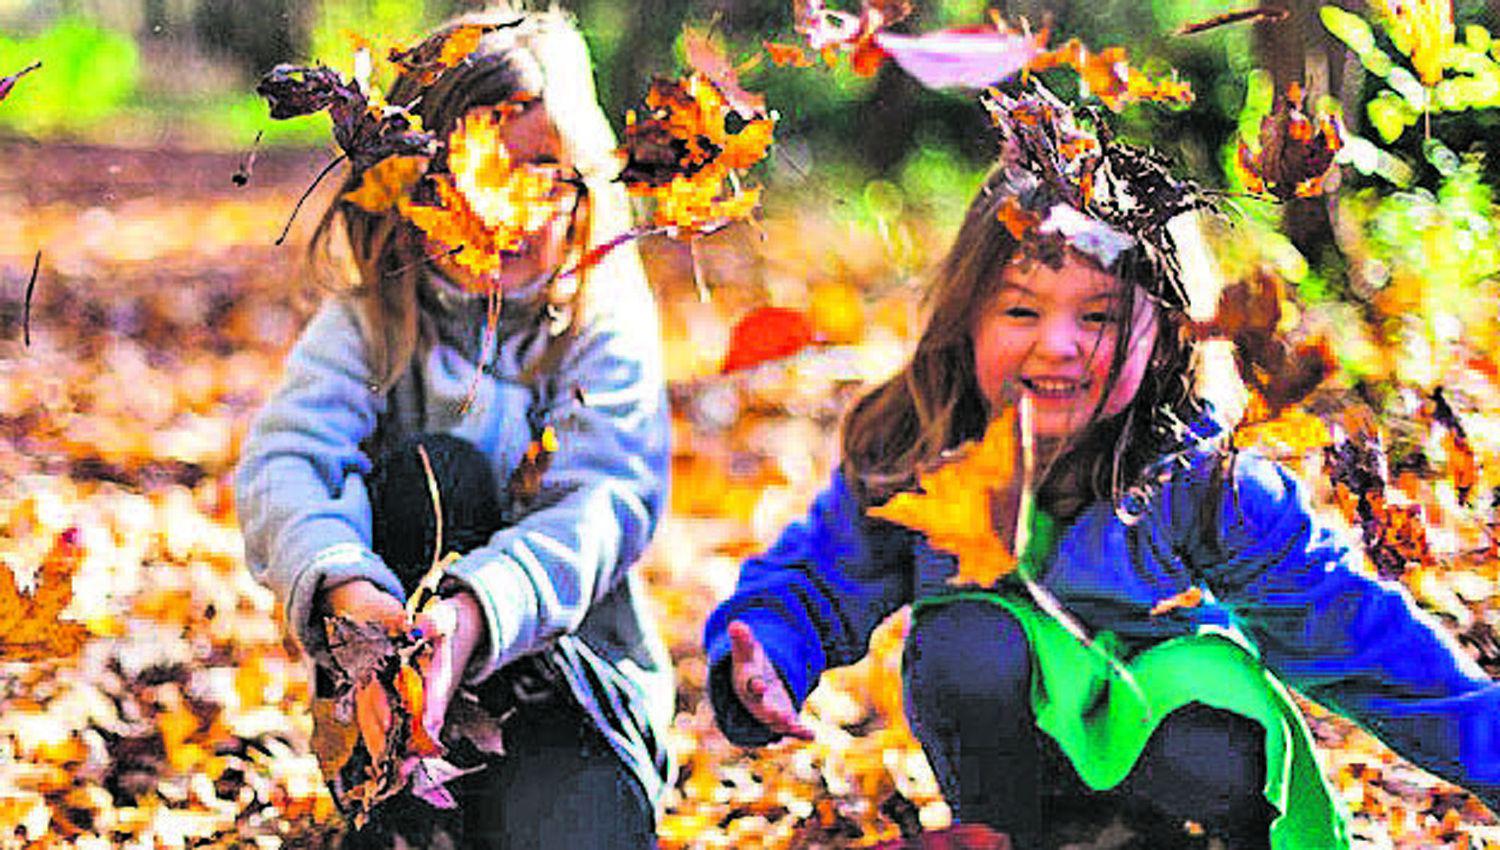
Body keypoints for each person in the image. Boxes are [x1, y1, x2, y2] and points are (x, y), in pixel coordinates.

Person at [703, 83, 1500, 850]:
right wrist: (771, 650)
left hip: (1188, 765)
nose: (1057, 344)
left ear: (1168, 336)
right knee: (967, 642)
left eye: (1101, 317)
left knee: (1206, 707)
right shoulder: (920, 446)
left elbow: (1350, 628)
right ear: (968, 315)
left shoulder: (1201, 476)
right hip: (1023, 772)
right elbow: (819, 577)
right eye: (1022, 309)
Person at [235, 8, 671, 849]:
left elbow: (609, 498)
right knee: (439, 471)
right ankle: (398, 800)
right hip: (397, 696)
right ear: (406, 187)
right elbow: (286, 461)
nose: (506, 212)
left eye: (543, 173)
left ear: (585, 180)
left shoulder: (597, 323)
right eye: (470, 176)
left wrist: (477, 612)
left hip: (571, 695)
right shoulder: (372, 322)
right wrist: (348, 591)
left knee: (583, 832)